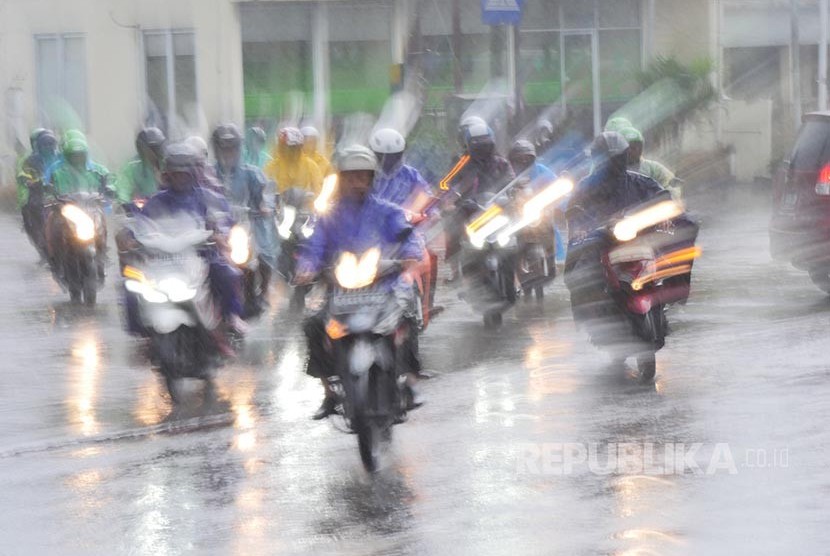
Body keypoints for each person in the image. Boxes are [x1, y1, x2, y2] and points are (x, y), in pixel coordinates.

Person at [294, 145, 426, 420]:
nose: (358, 183)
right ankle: (330, 393)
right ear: (342, 180)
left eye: (363, 177)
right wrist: (307, 267)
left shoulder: (387, 211)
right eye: (352, 177)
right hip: (339, 286)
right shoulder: (329, 216)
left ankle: (410, 383)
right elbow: (315, 246)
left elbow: (406, 235)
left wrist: (410, 255)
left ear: (372, 179)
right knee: (313, 322)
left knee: (408, 315)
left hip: (382, 282)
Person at [139, 142, 248, 340]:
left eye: (184, 173)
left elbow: (225, 223)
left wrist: (219, 236)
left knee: (227, 273)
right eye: (175, 173)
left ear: (194, 174)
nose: (180, 177)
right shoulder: (156, 202)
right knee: (134, 283)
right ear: (167, 175)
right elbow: (141, 225)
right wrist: (130, 237)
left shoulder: (210, 199)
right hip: (164, 261)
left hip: (203, 257)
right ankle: (142, 325)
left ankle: (231, 316)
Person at [564, 131, 666, 325]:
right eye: (608, 159)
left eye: (616, 158)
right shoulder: (585, 186)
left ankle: (664, 298)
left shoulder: (640, 182)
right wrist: (579, 229)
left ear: (624, 157)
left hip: (638, 237)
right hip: (600, 240)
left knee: (669, 258)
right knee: (578, 272)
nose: (612, 164)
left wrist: (668, 213)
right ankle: (590, 318)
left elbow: (663, 197)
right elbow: (573, 212)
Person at [370, 127, 439, 330]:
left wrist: (432, 212)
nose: (388, 161)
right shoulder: (367, 176)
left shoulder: (410, 175)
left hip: (407, 231)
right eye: (384, 156)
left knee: (428, 259)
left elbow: (426, 196)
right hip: (371, 233)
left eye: (393, 156)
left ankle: (425, 306)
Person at [212, 123, 277, 309]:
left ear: (239, 148)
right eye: (223, 148)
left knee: (265, 250)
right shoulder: (209, 174)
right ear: (216, 149)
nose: (228, 152)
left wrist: (265, 206)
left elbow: (265, 195)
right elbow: (200, 197)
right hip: (219, 228)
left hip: (247, 224)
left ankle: (263, 291)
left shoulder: (252, 173)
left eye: (232, 147)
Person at [443, 123, 515, 282]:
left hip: (496, 207)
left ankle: (519, 275)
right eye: (478, 146)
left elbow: (511, 180)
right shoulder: (461, 164)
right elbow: (448, 184)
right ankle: (457, 271)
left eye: (485, 145)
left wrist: (515, 193)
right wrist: (451, 202)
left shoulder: (501, 163)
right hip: (469, 208)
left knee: (520, 229)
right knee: (453, 229)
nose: (482, 150)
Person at [508, 139, 564, 267]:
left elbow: (557, 187)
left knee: (549, 228)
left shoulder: (541, 170)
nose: (523, 161)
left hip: (538, 210)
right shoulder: (508, 172)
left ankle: (555, 258)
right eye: (519, 158)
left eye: (527, 158)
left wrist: (553, 202)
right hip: (515, 213)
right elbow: (499, 189)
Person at [17, 129, 58, 259]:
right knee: (36, 219)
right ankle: (43, 248)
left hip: (59, 196)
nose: (48, 147)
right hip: (37, 196)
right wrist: (31, 181)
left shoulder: (60, 158)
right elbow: (24, 174)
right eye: (45, 144)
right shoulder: (30, 160)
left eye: (51, 144)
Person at [620, 126, 680, 199]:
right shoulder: (612, 171)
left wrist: (670, 198)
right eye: (629, 148)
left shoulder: (653, 168)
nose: (633, 151)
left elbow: (671, 185)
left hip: (650, 208)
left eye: (637, 147)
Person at [264, 126, 323, 194]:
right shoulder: (272, 166)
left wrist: (312, 198)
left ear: (299, 147)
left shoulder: (311, 166)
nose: (285, 150)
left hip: (303, 203)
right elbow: (265, 188)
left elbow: (318, 188)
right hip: (279, 203)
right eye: (283, 147)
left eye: (291, 148)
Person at [116, 128, 165, 205]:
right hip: (144, 209)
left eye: (157, 147)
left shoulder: (168, 162)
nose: (155, 151)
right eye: (152, 148)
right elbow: (123, 187)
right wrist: (124, 203)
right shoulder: (132, 166)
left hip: (169, 205)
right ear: (142, 148)